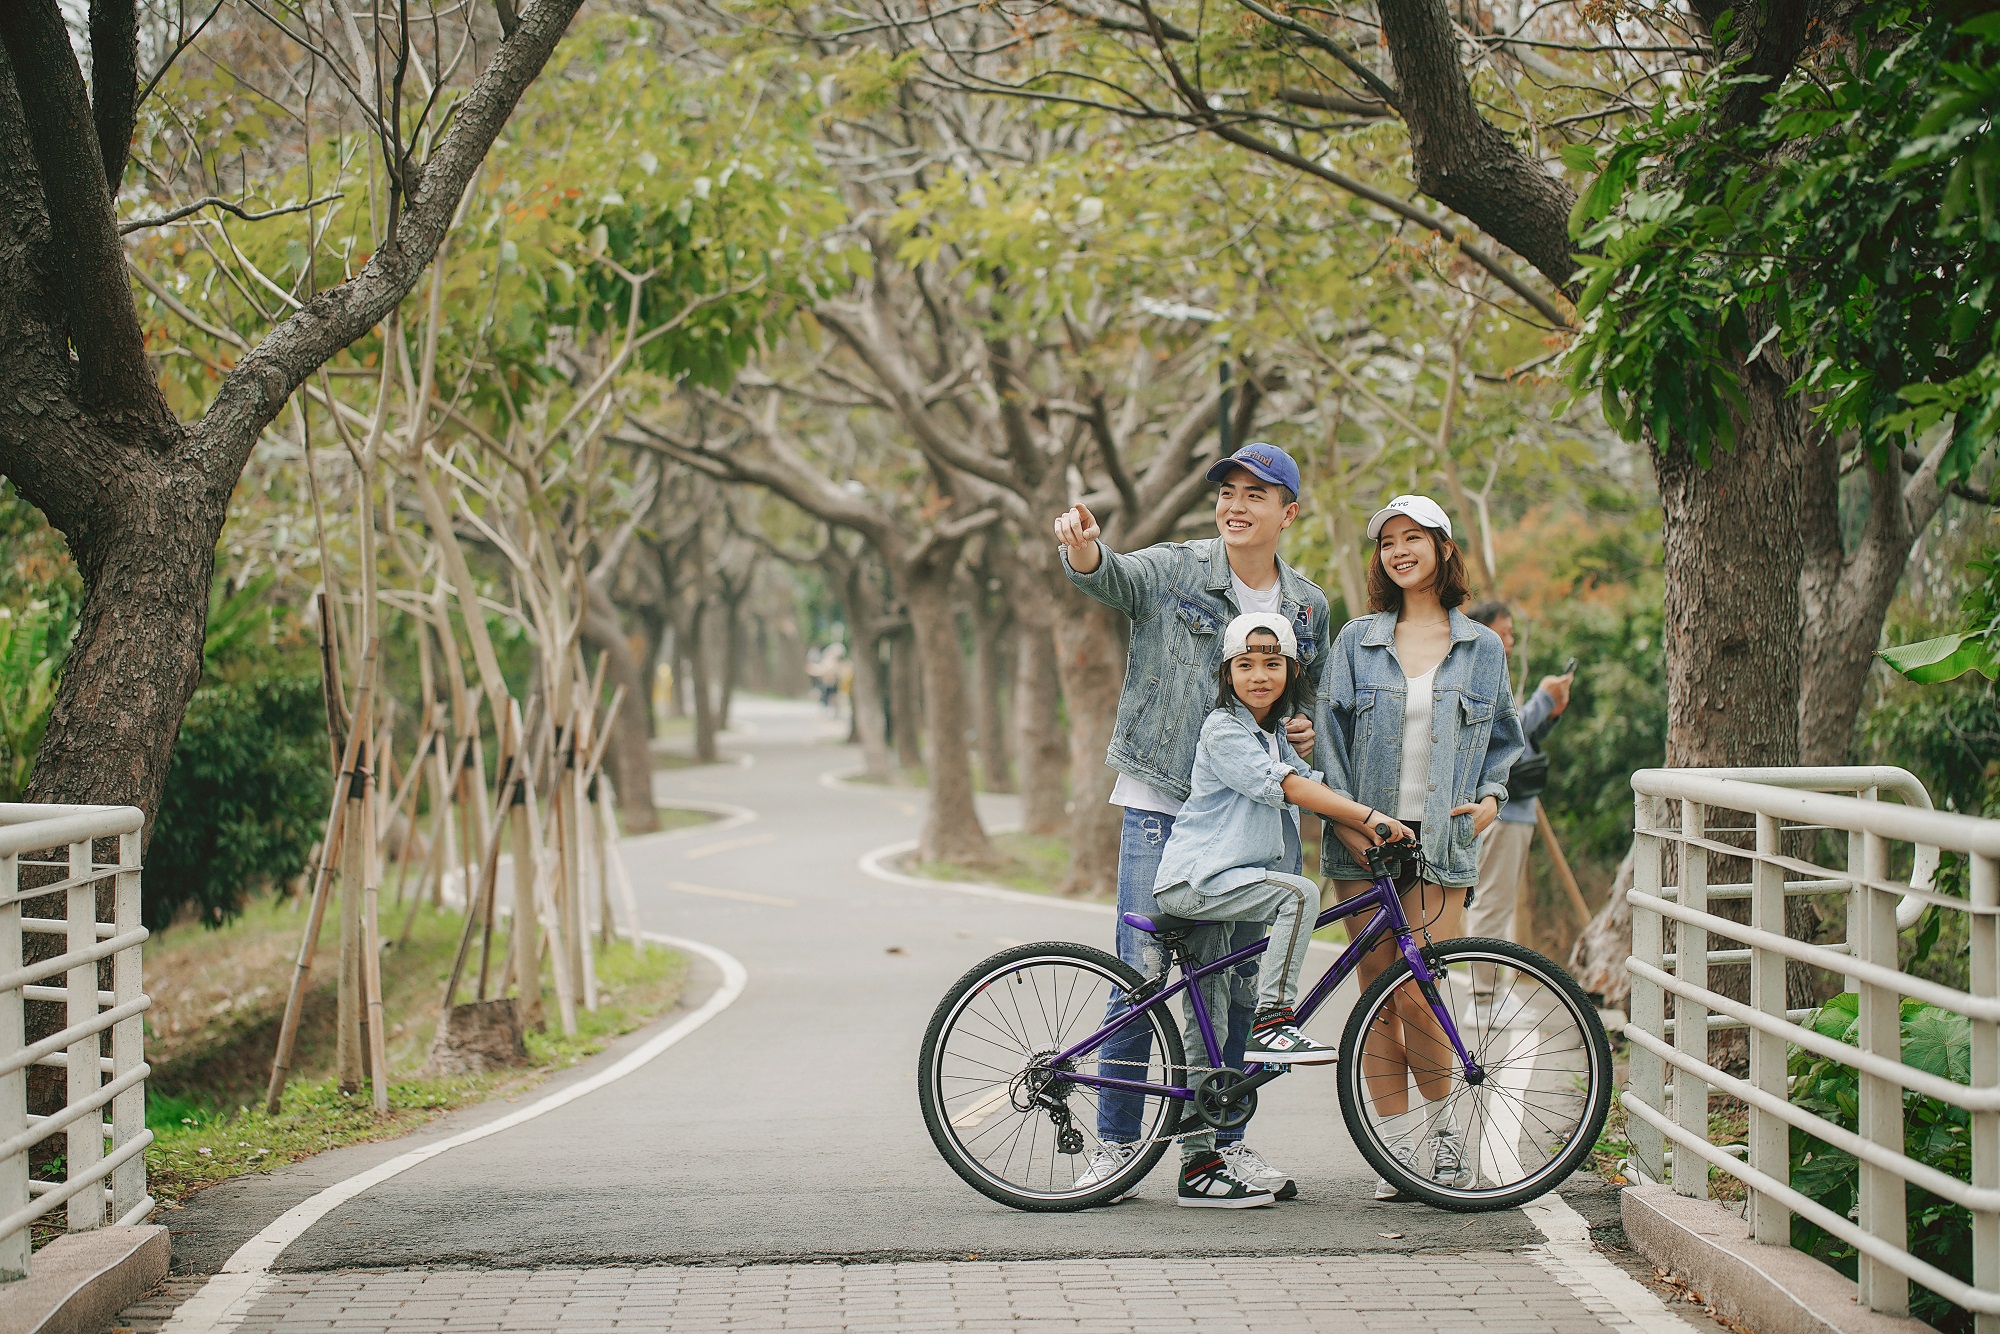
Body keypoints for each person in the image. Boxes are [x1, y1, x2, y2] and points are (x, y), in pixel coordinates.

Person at [1055, 440, 1332, 1205]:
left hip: (1249, 824)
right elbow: (1112, 577)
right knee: (1139, 976)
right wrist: (1084, 551)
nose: (1236, 505)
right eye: (1228, 491)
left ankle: (1216, 1152)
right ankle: (1114, 1145)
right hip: (1161, 808)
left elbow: (1307, 702)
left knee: (1233, 985)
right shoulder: (1178, 567)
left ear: (1288, 512)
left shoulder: (1308, 607)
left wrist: (1302, 729)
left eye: (1256, 494)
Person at [1154, 613, 1414, 1206]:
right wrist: (1374, 819)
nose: (1259, 675)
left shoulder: (1273, 736)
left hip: (1229, 886)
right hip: (1197, 883)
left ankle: (1200, 1166)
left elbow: (1322, 797)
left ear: (1292, 671)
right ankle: (1276, 1021)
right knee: (1298, 892)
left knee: (1212, 1025)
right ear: (1227, 674)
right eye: (1245, 665)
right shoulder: (1224, 730)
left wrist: (1375, 842)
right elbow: (1291, 790)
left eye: (1272, 664)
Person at [1316, 494, 1524, 1202]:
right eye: (1388, 542)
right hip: (1363, 839)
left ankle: (1441, 1139)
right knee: (1375, 992)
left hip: (1440, 841)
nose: (1400, 550)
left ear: (1441, 548)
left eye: (1414, 538)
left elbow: (1504, 740)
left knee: (1420, 990)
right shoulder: (1356, 641)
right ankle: (1392, 1148)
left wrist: (1491, 801)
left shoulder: (1482, 647)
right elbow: (1331, 742)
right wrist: (1351, 824)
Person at [1463, 600, 1573, 950]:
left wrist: (1551, 713)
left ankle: (1490, 997)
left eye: (1512, 634)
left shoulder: (1496, 673)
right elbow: (1497, 736)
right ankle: (1483, 1001)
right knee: (1492, 907)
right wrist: (1542, 699)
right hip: (1498, 808)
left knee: (1500, 906)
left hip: (1517, 809)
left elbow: (1522, 742)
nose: (1509, 642)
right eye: (1504, 633)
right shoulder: (1473, 671)